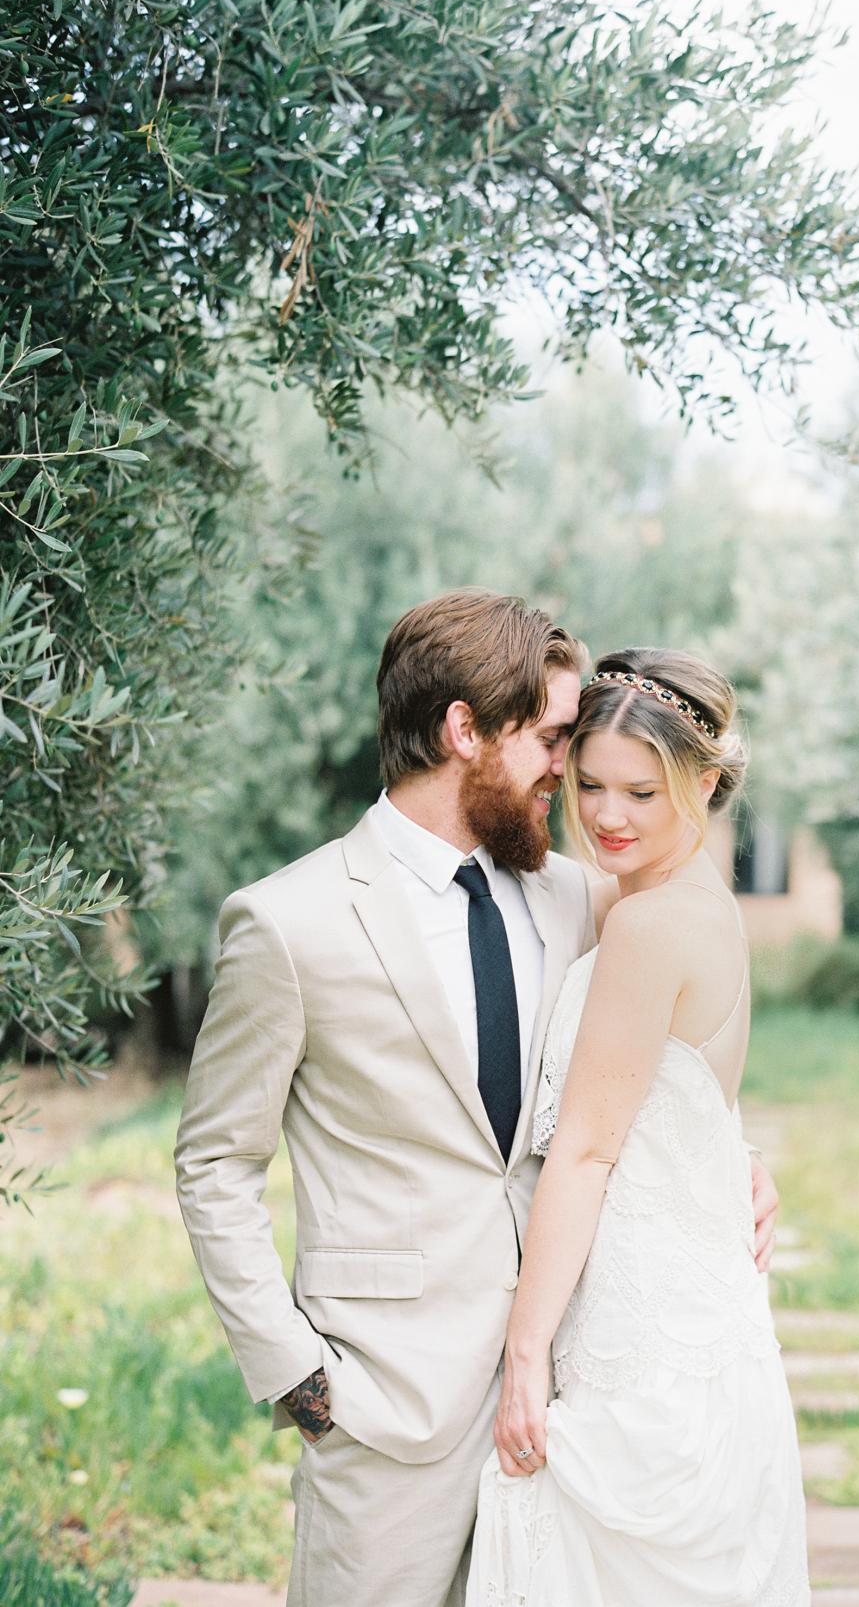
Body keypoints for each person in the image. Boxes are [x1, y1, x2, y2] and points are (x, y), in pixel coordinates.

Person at [174, 591, 780, 1607]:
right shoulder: (287, 923)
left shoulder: (580, 894)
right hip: (384, 1410)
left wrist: (725, 1157)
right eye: (551, 741)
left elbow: (645, 1067)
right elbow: (214, 1163)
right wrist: (294, 1373)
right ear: (464, 731)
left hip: (564, 1399)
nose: (571, 775)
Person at [467, 650, 809, 1607]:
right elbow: (691, 1103)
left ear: (703, 782)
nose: (608, 816)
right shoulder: (688, 900)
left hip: (642, 1342)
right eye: (588, 785)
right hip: (702, 1318)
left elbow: (584, 1150)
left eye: (641, 792)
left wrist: (523, 1353)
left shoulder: (649, 925)